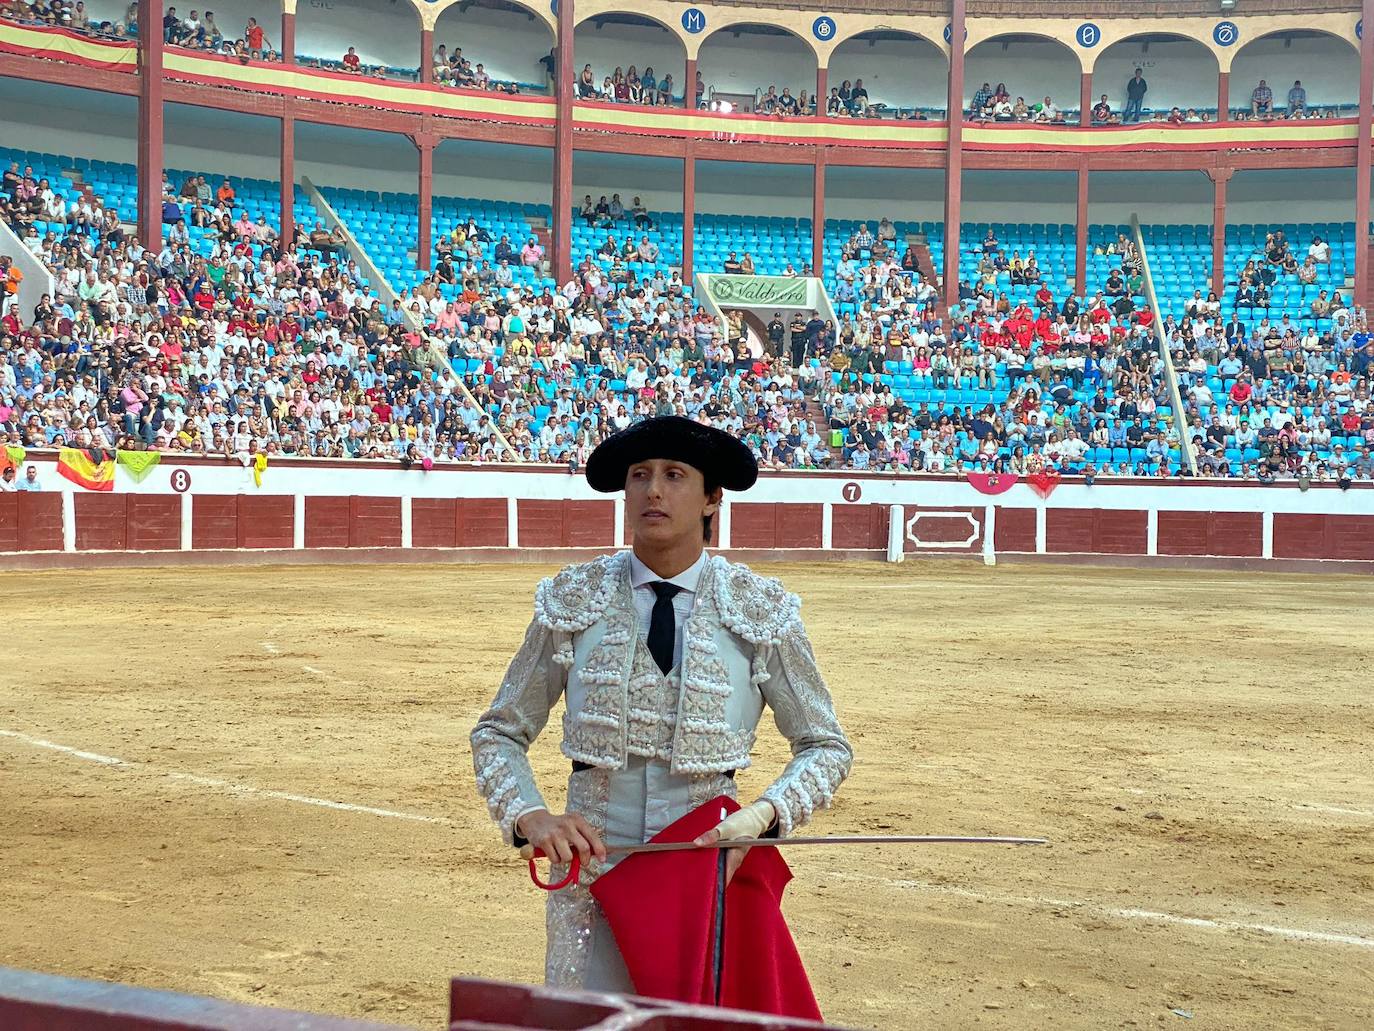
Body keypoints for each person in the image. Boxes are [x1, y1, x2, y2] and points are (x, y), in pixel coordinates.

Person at [471, 416, 851, 997]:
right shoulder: (574, 599)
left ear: (711, 498)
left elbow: (825, 745)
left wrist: (767, 815)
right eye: (640, 475)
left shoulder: (761, 609)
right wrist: (530, 817)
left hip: (708, 869)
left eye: (675, 475)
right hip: (594, 868)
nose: (653, 490)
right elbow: (499, 731)